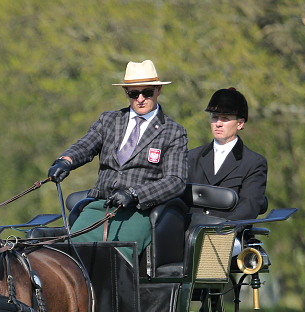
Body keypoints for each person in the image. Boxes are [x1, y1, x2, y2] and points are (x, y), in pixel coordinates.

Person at [47, 59, 187, 254]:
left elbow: (175, 181)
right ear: (126, 93)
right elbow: (85, 146)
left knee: (115, 259)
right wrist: (65, 161)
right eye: (133, 93)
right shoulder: (109, 120)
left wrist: (134, 193)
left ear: (158, 91)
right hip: (100, 205)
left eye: (147, 92)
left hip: (139, 211)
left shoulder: (173, 132)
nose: (140, 99)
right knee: (70, 256)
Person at [187, 88, 267, 221]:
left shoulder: (253, 163)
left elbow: (249, 206)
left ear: (240, 124)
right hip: (191, 233)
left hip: (229, 234)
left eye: (225, 119)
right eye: (215, 117)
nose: (218, 123)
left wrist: (221, 230)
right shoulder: (192, 157)